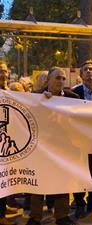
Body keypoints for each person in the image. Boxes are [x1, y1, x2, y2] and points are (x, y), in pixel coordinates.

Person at [26, 67, 78, 225]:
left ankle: (62, 216)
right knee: (38, 183)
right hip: (40, 148)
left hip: (62, 148)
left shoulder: (73, 97)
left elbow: (88, 111)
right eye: (57, 78)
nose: (61, 81)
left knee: (62, 181)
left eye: (63, 78)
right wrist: (41, 101)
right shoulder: (35, 97)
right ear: (48, 80)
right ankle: (35, 217)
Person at [71, 60, 92, 218]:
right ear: (81, 74)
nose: (89, 71)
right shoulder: (73, 93)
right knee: (79, 173)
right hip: (79, 141)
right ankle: (79, 203)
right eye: (86, 69)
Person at [0, 61, 17, 225]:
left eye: (5, 71)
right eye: (0, 71)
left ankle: (3, 207)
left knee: (4, 176)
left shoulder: (8, 92)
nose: (3, 74)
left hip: (5, 139)